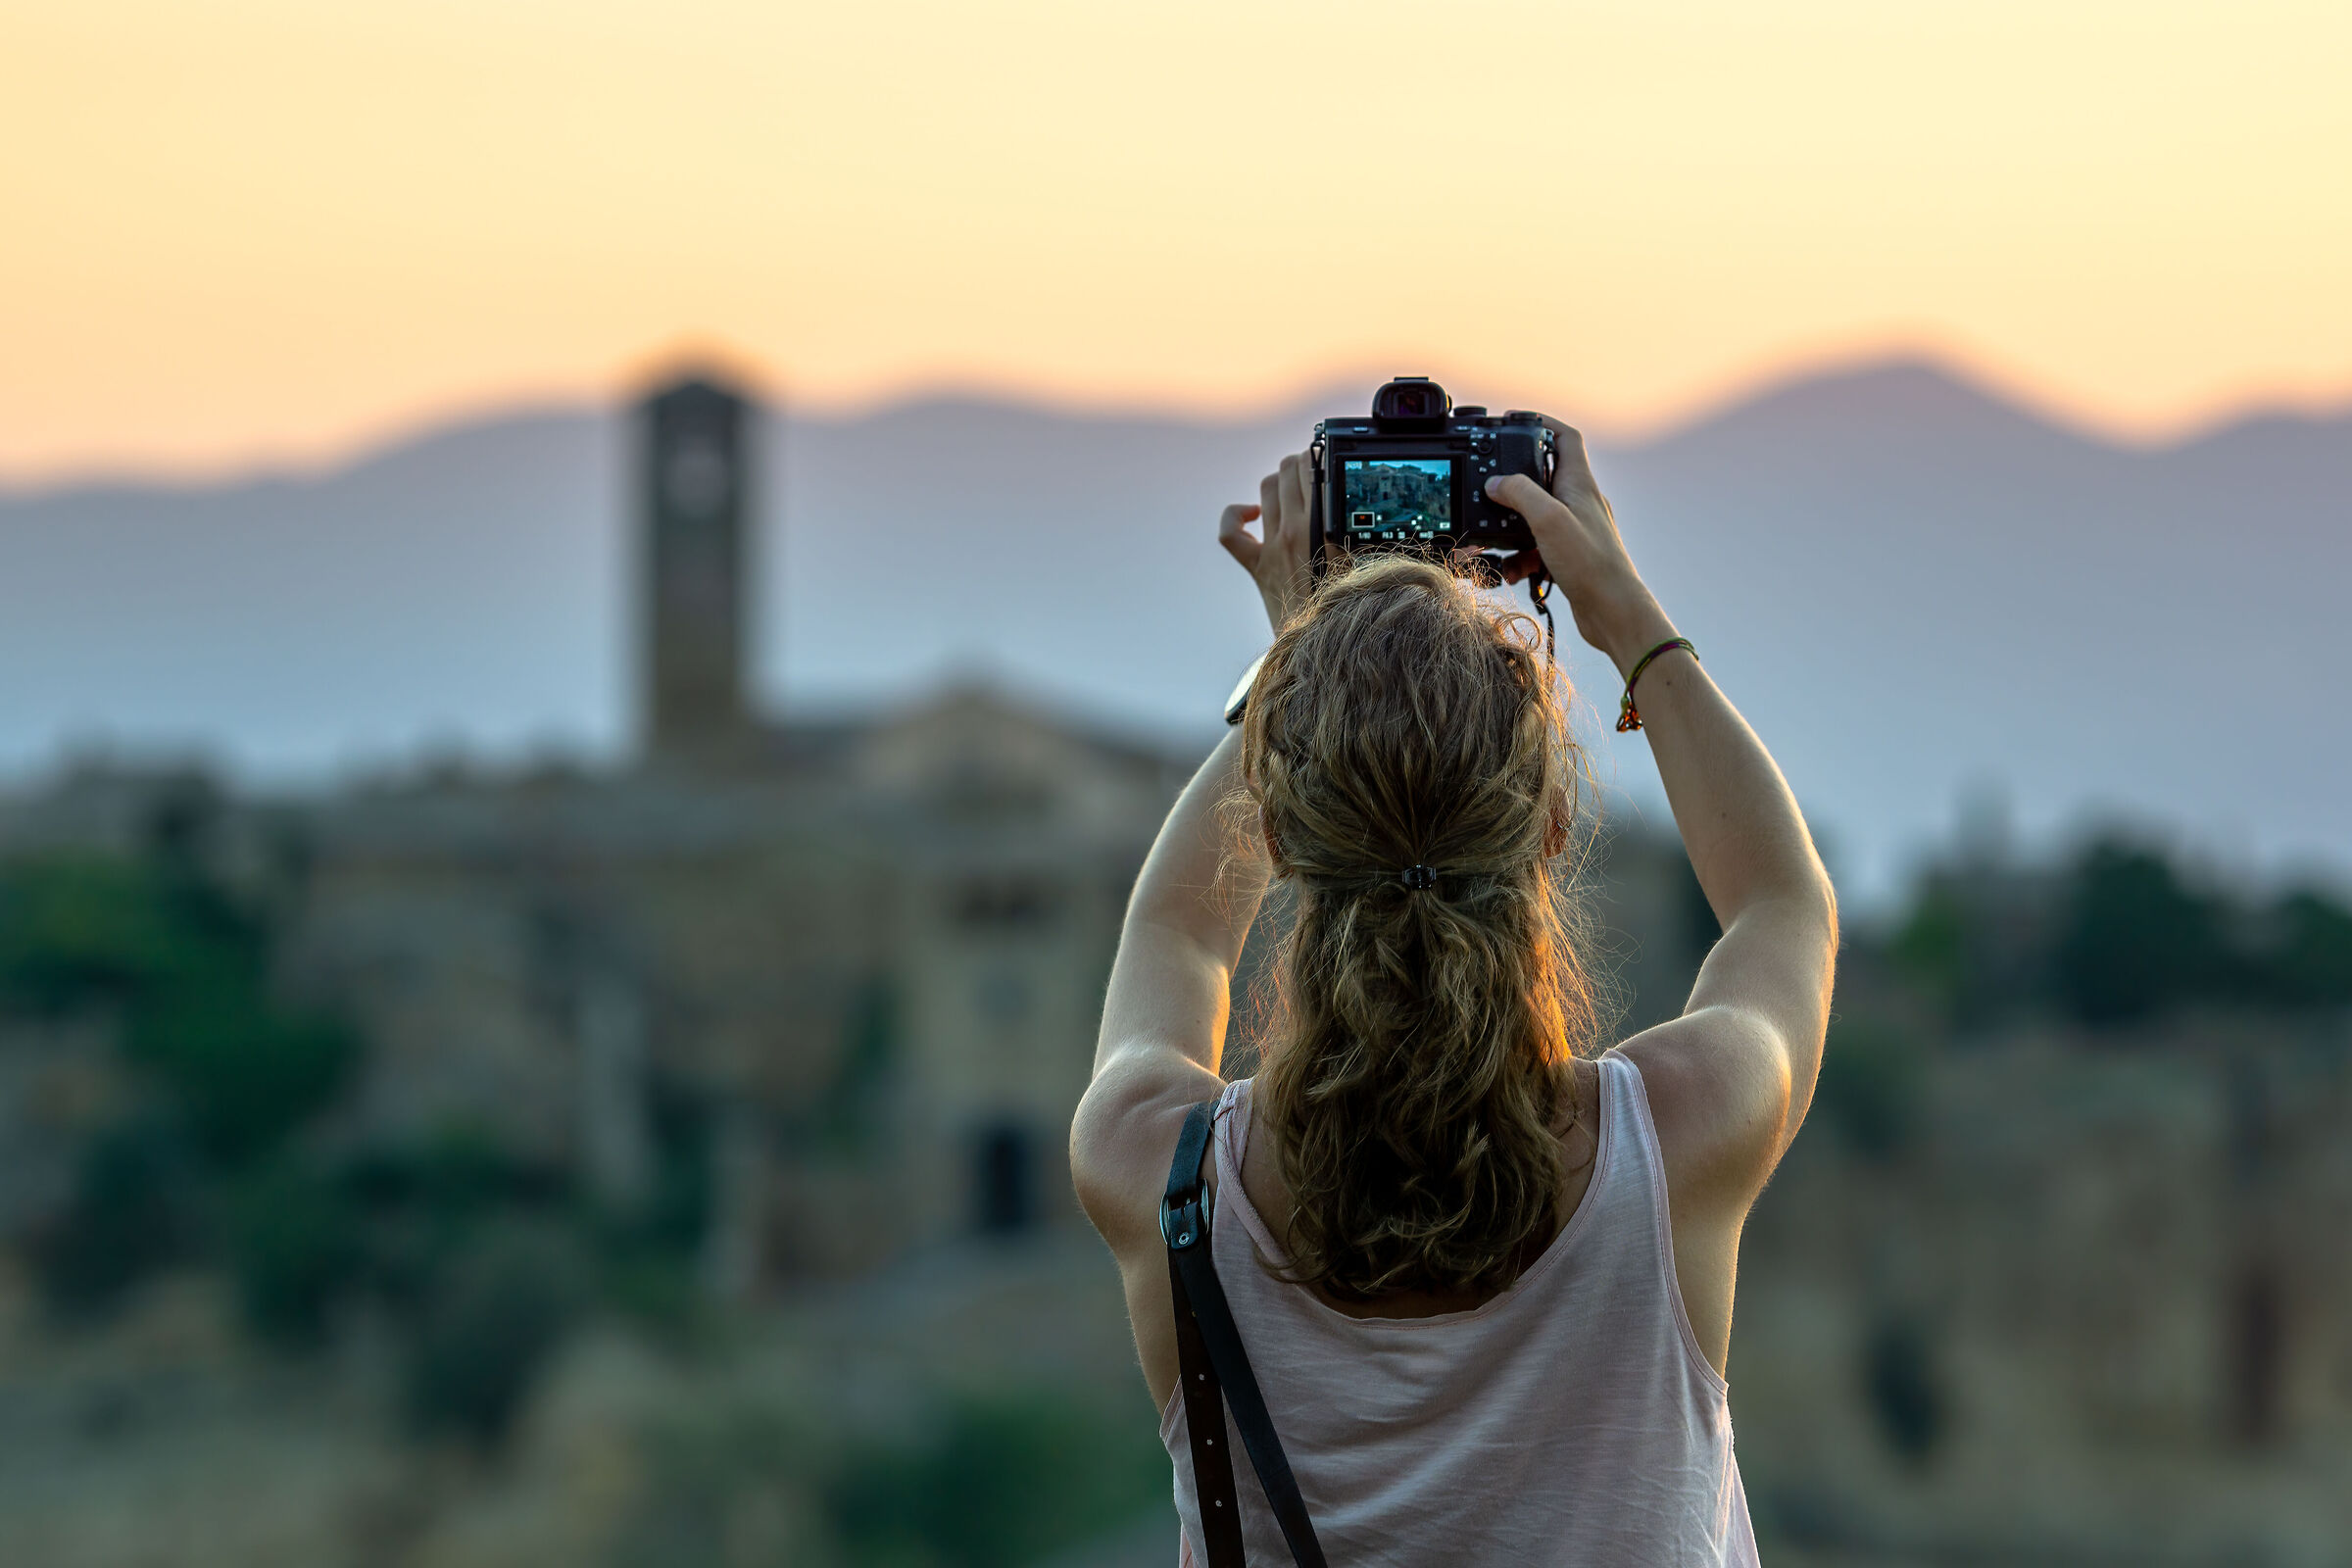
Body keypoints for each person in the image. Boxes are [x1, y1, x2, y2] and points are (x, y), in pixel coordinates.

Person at [1070, 426, 1838, 1565]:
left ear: (1277, 836)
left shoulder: (1161, 1174)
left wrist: (1301, 661)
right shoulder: (1673, 1139)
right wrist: (1621, 609)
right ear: (1553, 826)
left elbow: (1179, 930)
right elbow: (1782, 903)